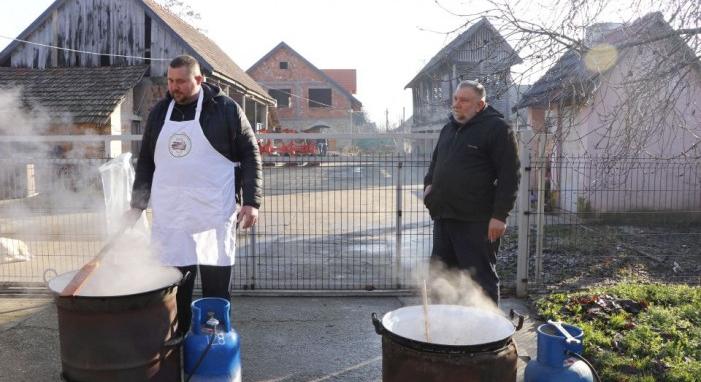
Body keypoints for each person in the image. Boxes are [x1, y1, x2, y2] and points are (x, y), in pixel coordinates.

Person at [127, 55, 262, 337]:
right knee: (174, 287)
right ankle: (175, 342)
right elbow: (147, 163)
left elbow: (250, 153)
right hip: (171, 217)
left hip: (212, 214)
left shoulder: (225, 110)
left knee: (215, 289)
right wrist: (136, 206)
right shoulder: (160, 112)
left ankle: (214, 345)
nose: (173, 87)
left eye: (181, 82)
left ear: (199, 80)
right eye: (170, 81)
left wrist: (251, 202)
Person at [423, 80, 520, 305]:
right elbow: (435, 163)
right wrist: (429, 187)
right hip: (444, 216)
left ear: (479, 105)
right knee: (441, 277)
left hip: (476, 221)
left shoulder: (497, 129)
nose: (457, 104)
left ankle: (488, 334)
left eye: (464, 100)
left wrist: (500, 216)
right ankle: (442, 329)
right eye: (455, 99)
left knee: (480, 279)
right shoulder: (449, 128)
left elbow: (510, 175)